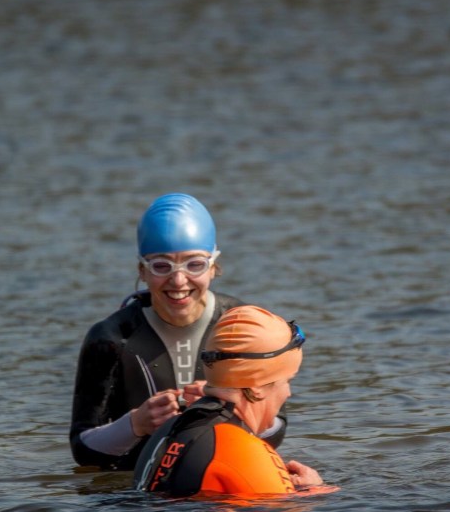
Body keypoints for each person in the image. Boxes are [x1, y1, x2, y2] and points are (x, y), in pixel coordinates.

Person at [70, 194, 287, 471]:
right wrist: (136, 425)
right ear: (142, 271)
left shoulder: (242, 327)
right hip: (139, 498)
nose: (179, 280)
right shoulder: (111, 338)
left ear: (213, 267)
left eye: (194, 264)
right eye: (162, 266)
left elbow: (278, 428)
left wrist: (234, 411)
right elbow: (82, 449)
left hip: (223, 484)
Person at [133, 305, 339, 497]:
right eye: (287, 381)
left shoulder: (176, 426)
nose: (289, 393)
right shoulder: (244, 452)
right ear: (257, 386)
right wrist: (314, 490)